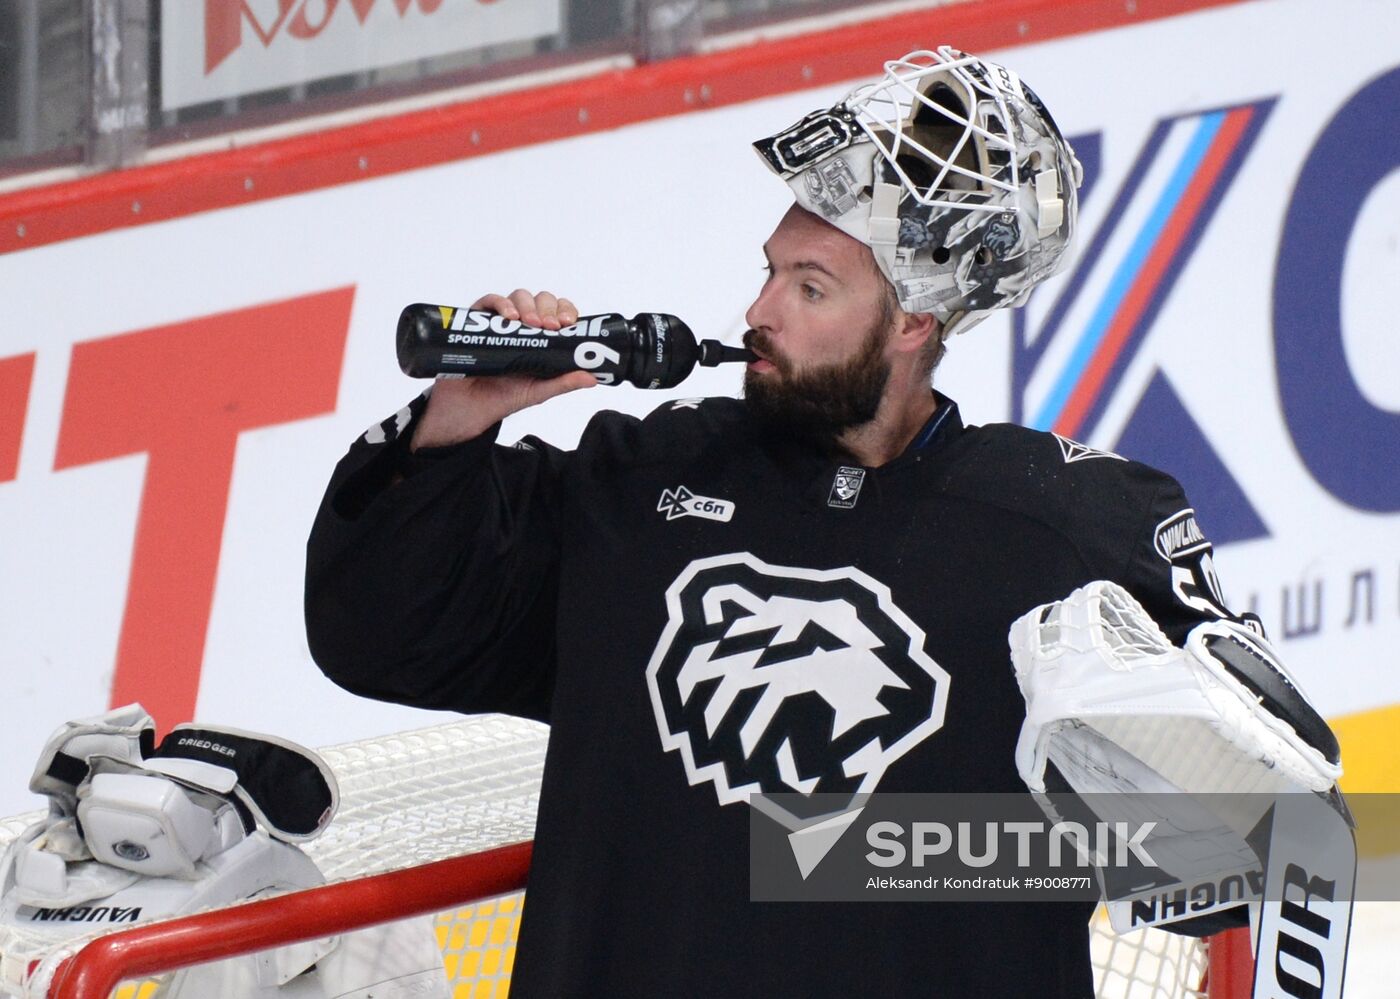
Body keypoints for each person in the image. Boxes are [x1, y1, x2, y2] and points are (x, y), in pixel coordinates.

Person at [305, 48, 1257, 996]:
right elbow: (382, 634)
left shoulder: (1071, 535)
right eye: (770, 272)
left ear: (913, 321)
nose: (757, 311)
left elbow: (1266, 846)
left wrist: (953, 851)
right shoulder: (642, 488)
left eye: (809, 287)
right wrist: (456, 424)